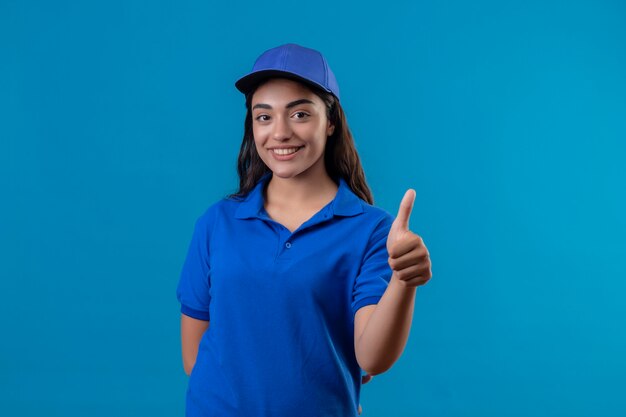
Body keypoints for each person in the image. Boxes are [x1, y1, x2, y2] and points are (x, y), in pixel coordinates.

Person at [176, 43, 432, 417]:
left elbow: (372, 358)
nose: (279, 133)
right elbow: (193, 357)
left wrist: (403, 281)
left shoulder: (373, 231)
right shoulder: (217, 223)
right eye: (264, 117)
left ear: (330, 121)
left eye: (299, 113)